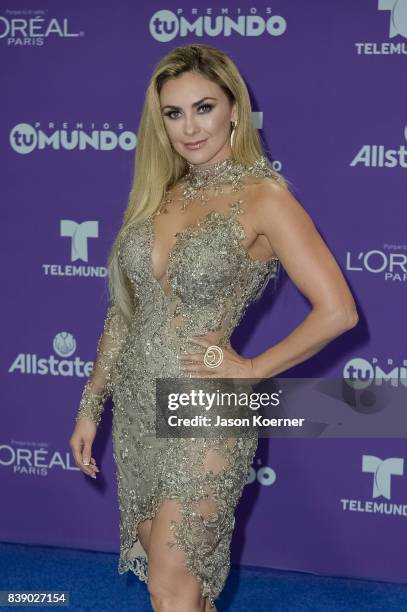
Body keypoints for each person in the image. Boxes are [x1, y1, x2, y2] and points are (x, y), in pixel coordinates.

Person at [69, 43, 358, 612]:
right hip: (134, 411)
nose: (189, 127)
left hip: (202, 408)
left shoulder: (263, 195)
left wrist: (250, 368)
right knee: (178, 587)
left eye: (203, 107)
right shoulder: (157, 194)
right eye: (173, 114)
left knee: (171, 588)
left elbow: (338, 311)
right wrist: (90, 404)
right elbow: (125, 311)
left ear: (234, 108)